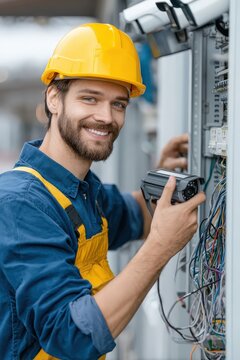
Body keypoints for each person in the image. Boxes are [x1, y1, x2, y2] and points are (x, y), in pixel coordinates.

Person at [0, 23, 205, 360]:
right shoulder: (21, 203)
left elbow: (136, 216)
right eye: (90, 98)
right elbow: (71, 336)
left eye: (119, 104)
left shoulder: (83, 191)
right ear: (54, 97)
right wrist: (159, 249)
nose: (106, 117)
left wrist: (165, 181)